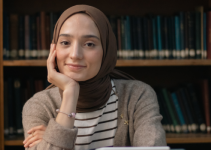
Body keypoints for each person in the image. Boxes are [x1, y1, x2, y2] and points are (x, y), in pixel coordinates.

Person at [22, 5, 166, 150]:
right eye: (65, 42)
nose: (75, 55)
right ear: (54, 49)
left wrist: (54, 138)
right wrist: (70, 92)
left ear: (106, 50)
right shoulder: (39, 105)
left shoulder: (137, 96)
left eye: (89, 44)